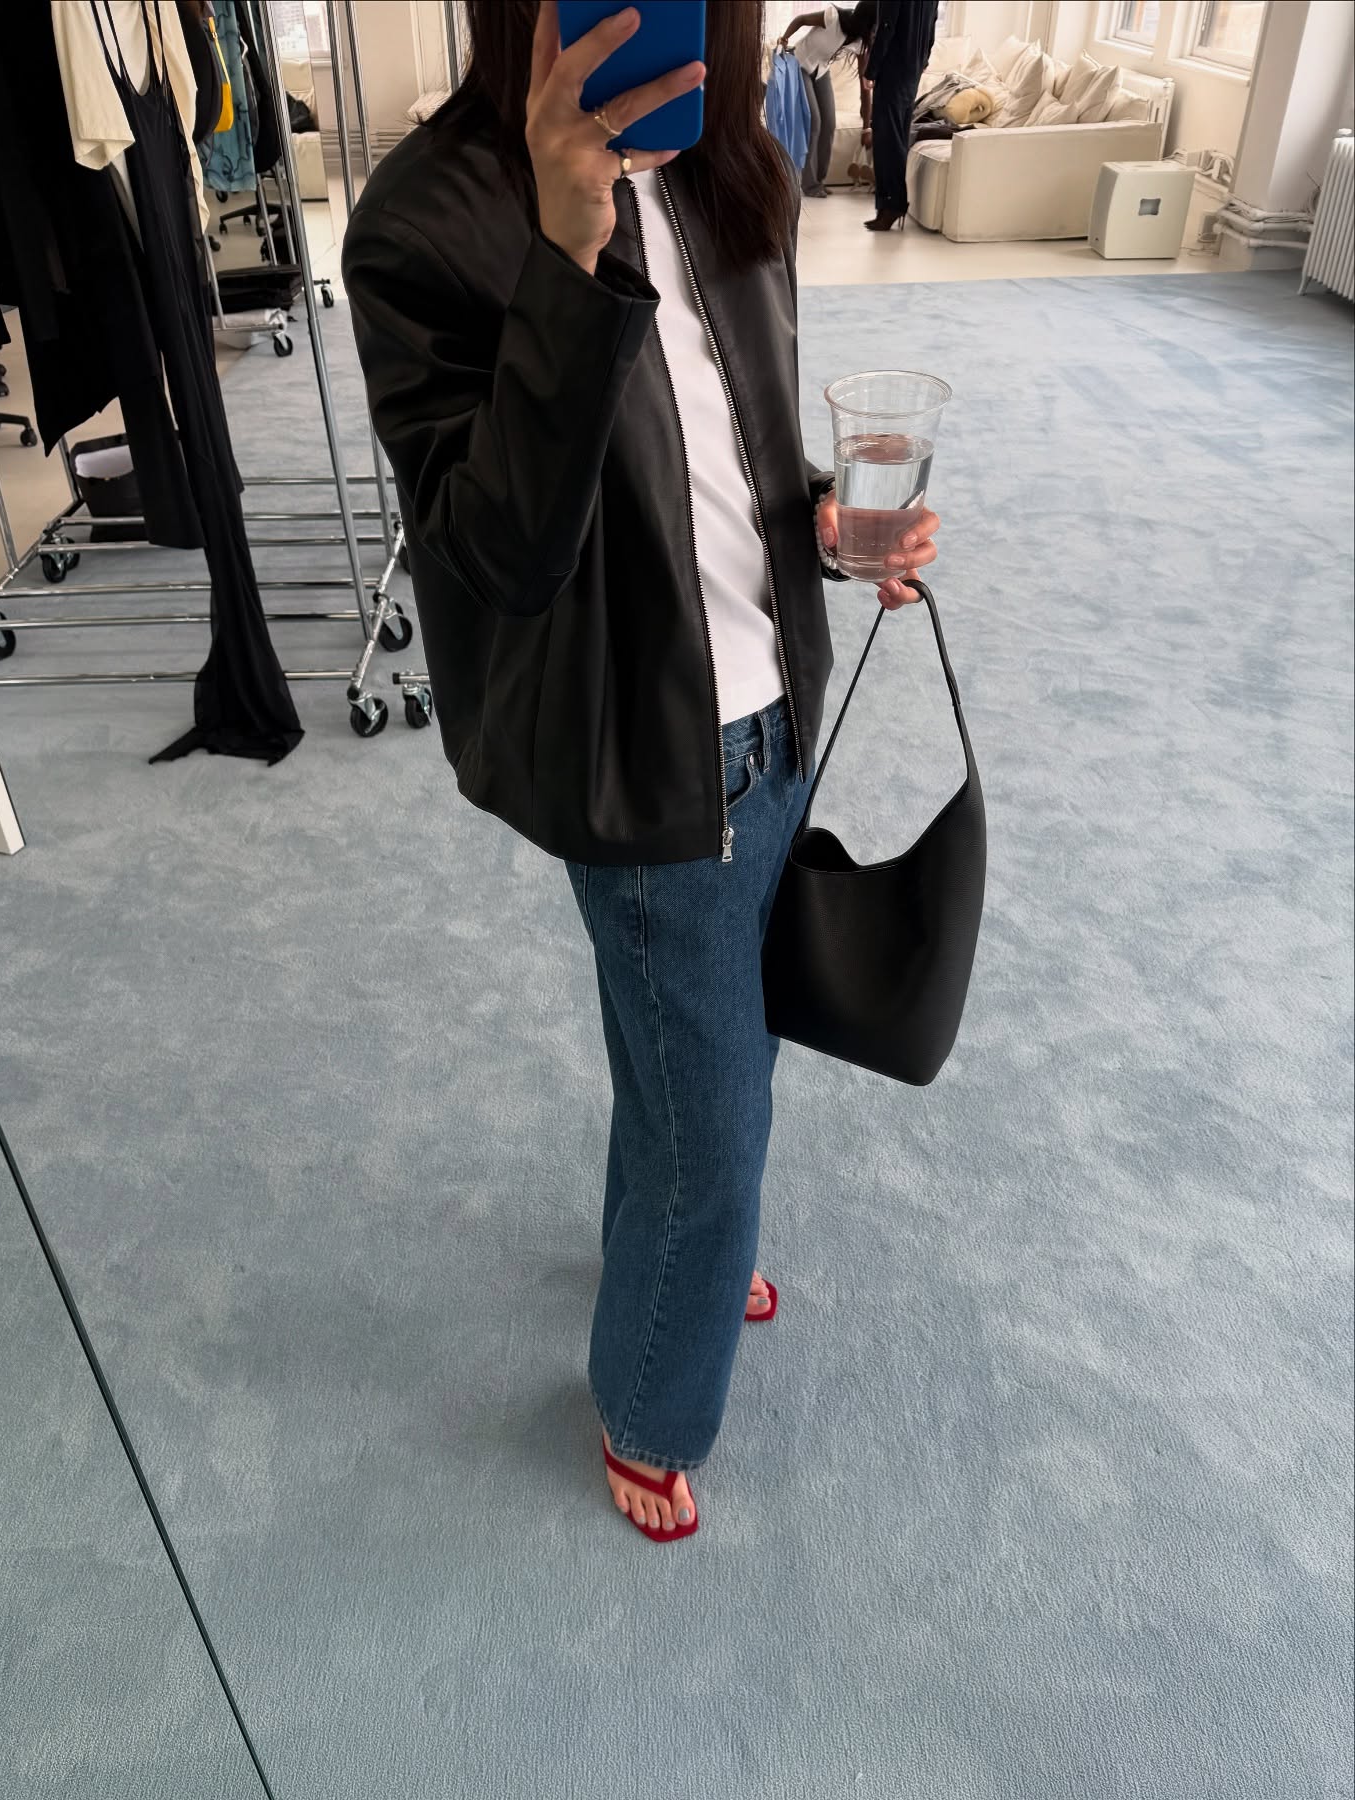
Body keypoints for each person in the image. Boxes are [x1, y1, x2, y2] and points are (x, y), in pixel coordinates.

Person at [343, 0, 940, 1543]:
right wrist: (563, 247)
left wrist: (825, 522)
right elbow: (493, 555)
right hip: (638, 740)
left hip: (776, 703)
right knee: (713, 1112)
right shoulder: (426, 218)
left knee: (698, 1049)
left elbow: (731, 449)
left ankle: (681, 1210)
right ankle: (648, 1400)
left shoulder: (737, 157)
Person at [777, 2, 877, 198]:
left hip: (821, 70)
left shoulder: (859, 42)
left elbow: (864, 86)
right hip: (799, 64)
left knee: (829, 123)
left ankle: (819, 181)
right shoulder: (832, 18)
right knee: (814, 121)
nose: (876, 31)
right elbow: (801, 20)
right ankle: (809, 185)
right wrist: (785, 39)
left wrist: (867, 127)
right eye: (874, 26)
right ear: (866, 21)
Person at [859, 0, 940, 230]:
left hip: (893, 66)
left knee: (887, 139)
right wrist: (924, 58)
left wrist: (871, 69)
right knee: (897, 136)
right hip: (912, 66)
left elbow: (887, 25)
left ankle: (892, 205)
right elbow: (931, 25)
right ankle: (889, 205)